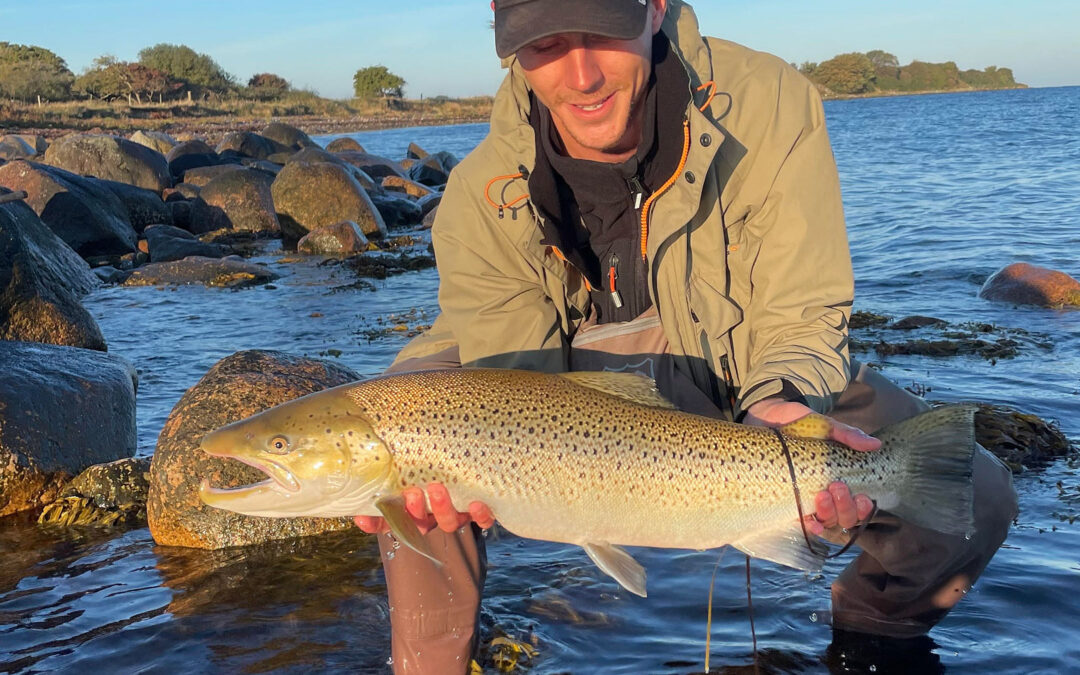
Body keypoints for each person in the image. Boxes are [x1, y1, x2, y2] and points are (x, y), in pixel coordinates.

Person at [355, 1, 1017, 672]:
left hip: (742, 363)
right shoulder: (479, 192)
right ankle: (431, 662)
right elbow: (528, 386)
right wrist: (520, 488)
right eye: (545, 45)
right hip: (565, 381)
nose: (581, 77)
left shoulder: (769, 103)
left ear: (654, 8)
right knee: (411, 425)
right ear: (506, 42)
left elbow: (800, 308)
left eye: (602, 32)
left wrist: (783, 404)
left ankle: (872, 640)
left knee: (978, 499)